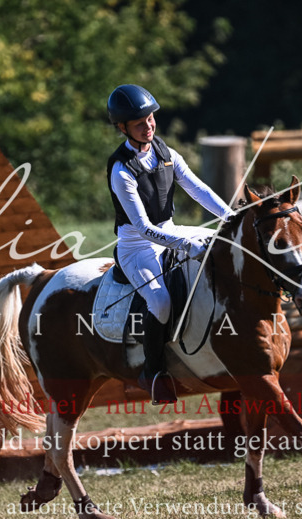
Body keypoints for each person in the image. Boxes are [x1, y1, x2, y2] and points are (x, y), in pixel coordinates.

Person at [107, 84, 235, 404]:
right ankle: (153, 372)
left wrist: (232, 218)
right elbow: (143, 227)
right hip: (137, 247)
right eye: (139, 123)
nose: (148, 126)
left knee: (224, 252)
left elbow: (200, 191)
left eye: (150, 119)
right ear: (123, 128)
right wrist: (186, 245)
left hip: (170, 229)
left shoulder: (166, 153)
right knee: (161, 302)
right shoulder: (121, 169)